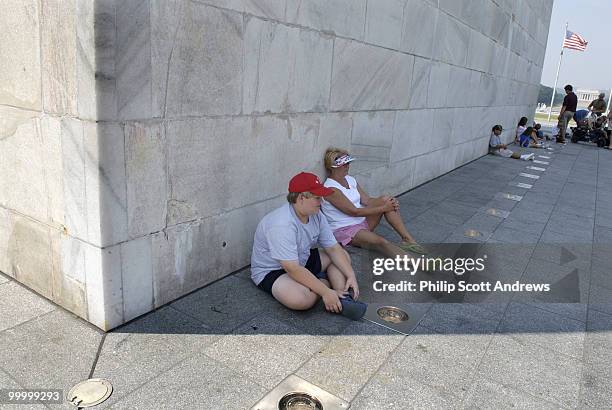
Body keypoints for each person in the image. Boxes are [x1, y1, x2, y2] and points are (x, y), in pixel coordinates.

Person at [250, 172, 365, 319]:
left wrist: (351, 275)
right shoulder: (281, 224)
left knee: (343, 255)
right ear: (301, 198)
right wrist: (324, 291)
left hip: (301, 259)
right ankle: (325, 285)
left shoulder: (316, 214)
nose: (321, 201)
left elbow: (333, 248)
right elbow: (292, 268)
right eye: (317, 197)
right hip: (273, 270)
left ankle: (341, 297)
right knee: (301, 300)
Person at [320, 148, 426, 258]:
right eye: (344, 164)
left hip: (362, 222)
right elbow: (354, 212)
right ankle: (416, 262)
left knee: (386, 199)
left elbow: (367, 200)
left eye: (348, 163)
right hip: (345, 229)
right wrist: (384, 208)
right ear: (333, 167)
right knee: (381, 242)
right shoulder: (330, 189)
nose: (348, 166)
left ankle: (407, 239)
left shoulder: (350, 179)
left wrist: (389, 203)